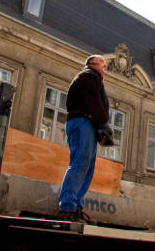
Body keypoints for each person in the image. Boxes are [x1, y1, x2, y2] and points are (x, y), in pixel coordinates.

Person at [58, 55, 109, 224]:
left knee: (86, 166)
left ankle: (75, 206)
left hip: (88, 123)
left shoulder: (94, 79)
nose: (105, 67)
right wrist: (102, 123)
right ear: (93, 64)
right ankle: (67, 206)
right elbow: (94, 104)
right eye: (103, 64)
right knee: (80, 163)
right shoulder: (88, 76)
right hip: (82, 122)